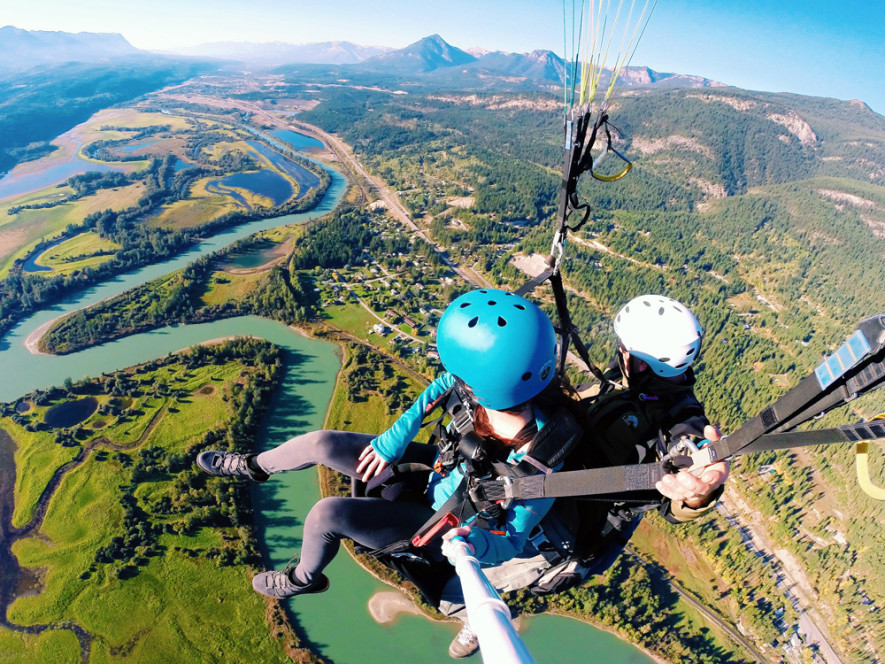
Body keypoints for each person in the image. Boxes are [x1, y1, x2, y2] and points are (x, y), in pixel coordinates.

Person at [195, 288, 578, 624]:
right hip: (440, 473)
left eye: (463, 377)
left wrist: (473, 545)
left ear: (487, 388)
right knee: (322, 443)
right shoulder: (496, 390)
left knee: (326, 515)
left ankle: (303, 580)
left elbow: (510, 542)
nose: (453, 378)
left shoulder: (535, 468)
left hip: (440, 524)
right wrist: (391, 441)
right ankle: (254, 467)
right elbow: (443, 385)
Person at [441, 293, 730, 659]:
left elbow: (686, 456)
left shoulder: (678, 418)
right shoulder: (631, 381)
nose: (619, 352)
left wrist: (698, 493)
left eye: (625, 349)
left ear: (641, 363)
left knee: (468, 577)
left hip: (571, 531)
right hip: (548, 480)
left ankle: (476, 616)